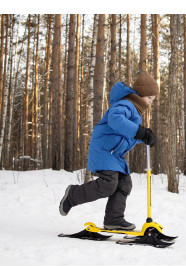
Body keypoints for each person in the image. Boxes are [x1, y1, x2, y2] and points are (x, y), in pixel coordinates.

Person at [59, 71, 158, 230]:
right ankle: (72, 195)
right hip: (104, 150)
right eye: (150, 98)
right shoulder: (126, 104)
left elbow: (125, 133)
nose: (150, 102)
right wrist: (139, 131)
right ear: (140, 95)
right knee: (108, 184)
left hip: (115, 154)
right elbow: (115, 120)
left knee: (124, 184)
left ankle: (114, 219)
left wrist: (144, 136)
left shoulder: (134, 110)